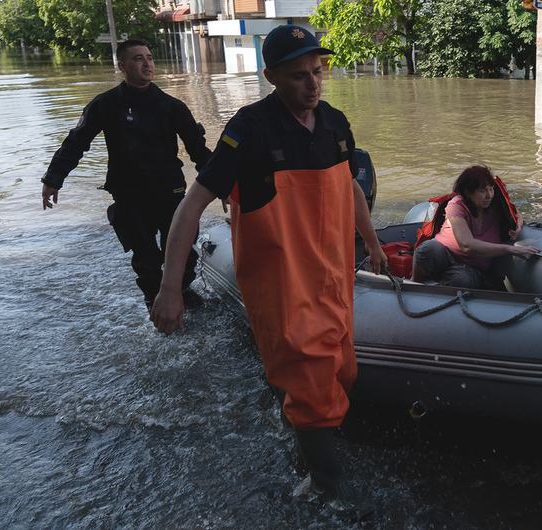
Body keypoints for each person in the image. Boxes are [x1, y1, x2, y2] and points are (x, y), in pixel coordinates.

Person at [148, 25, 385, 518]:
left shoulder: (336, 124)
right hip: (281, 288)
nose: (312, 83)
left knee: (343, 372)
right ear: (271, 75)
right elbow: (192, 205)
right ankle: (328, 492)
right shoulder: (248, 131)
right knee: (312, 386)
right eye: (298, 75)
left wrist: (373, 243)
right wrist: (171, 287)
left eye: (317, 72)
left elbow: (350, 190)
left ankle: (298, 442)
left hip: (333, 281)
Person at [41, 39, 212, 310]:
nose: (147, 64)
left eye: (150, 57)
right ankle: (153, 301)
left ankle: (183, 292)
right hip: (130, 195)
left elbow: (198, 150)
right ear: (122, 66)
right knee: (145, 258)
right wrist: (53, 179)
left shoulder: (172, 107)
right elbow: (76, 142)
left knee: (181, 251)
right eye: (138, 59)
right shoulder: (105, 105)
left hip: (170, 191)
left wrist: (223, 186)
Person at [411, 165, 538, 289]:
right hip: (445, 254)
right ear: (468, 192)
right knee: (427, 249)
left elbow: (516, 215)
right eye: (482, 191)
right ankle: (413, 285)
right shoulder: (456, 205)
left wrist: (518, 225)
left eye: (491, 189)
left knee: (461, 279)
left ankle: (440, 286)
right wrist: (510, 249)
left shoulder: (496, 205)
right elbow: (466, 245)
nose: (489, 195)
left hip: (473, 266)